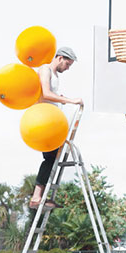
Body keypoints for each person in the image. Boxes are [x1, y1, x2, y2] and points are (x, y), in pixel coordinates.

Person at [29, 46, 84, 210]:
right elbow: (45, 94)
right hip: (43, 121)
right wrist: (69, 100)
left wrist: (60, 99)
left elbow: (50, 96)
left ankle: (41, 197)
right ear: (60, 58)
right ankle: (36, 197)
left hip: (51, 121)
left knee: (52, 159)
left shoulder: (55, 76)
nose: (67, 69)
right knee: (49, 158)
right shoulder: (45, 69)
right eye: (67, 64)